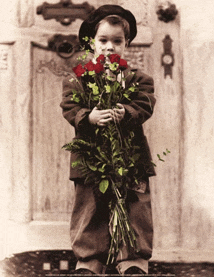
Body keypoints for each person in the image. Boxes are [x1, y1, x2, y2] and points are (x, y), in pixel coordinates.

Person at [60, 5, 156, 276]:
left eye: (118, 41)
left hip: (130, 156)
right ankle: (89, 260)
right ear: (91, 42)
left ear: (128, 43)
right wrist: (88, 117)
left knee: (135, 206)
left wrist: (126, 112)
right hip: (91, 157)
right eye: (103, 40)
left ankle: (134, 260)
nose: (110, 47)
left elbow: (145, 104)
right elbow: (69, 106)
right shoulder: (78, 79)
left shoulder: (138, 80)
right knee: (89, 207)